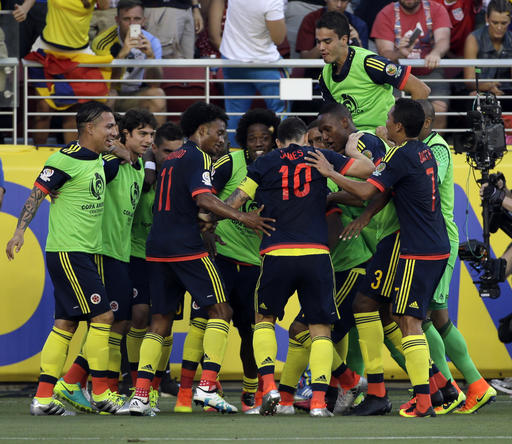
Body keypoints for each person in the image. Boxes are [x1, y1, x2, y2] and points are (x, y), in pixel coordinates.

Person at [128, 101, 275, 415]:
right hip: (186, 248)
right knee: (221, 309)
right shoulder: (197, 157)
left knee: (160, 321)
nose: (223, 139)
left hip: (156, 249)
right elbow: (204, 199)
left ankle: (141, 396)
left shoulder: (171, 160)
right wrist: (241, 217)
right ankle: (207, 387)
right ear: (202, 130)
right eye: (219, 133)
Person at [306, 98, 450, 418]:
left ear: (398, 126)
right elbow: (387, 191)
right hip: (430, 245)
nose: (383, 122)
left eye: (388, 118)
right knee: (376, 307)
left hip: (417, 248)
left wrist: (330, 172)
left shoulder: (398, 156)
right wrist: (368, 215)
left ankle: (424, 400)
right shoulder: (423, 150)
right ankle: (420, 390)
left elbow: (364, 192)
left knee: (408, 321)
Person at [223, 117, 375, 417]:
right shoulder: (321, 157)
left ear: (277, 142)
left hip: (277, 254)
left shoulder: (264, 163)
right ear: (306, 138)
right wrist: (348, 153)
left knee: (263, 319)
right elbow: (368, 172)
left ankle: (269, 389)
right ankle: (319, 403)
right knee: (320, 329)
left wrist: (214, 216)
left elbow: (236, 200)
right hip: (316, 254)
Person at [5, 101, 125, 415]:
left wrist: (120, 148)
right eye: (109, 126)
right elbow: (37, 193)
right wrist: (19, 232)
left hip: (86, 252)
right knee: (103, 318)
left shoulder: (100, 158)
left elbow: (129, 157)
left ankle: (43, 399)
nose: (114, 132)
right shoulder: (63, 159)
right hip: (69, 252)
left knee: (66, 324)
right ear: (90, 128)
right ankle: (101, 393)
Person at [174, 108, 281, 415]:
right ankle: (188, 392)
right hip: (222, 258)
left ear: (274, 140)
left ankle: (251, 392)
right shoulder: (229, 163)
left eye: (265, 138)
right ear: (242, 140)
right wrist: (204, 231)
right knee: (205, 321)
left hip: (256, 263)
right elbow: (203, 198)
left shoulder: (278, 166)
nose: (258, 143)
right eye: (252, 138)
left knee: (251, 332)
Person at [54, 109, 158, 414]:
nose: (148, 140)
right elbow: (86, 177)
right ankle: (83, 386)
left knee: (119, 323)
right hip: (101, 252)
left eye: (151, 134)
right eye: (142, 134)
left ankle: (79, 383)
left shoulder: (136, 166)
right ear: (123, 135)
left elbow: (145, 166)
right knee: (106, 322)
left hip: (121, 254)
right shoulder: (111, 164)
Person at [126, 121, 184, 392]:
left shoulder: (183, 176)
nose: (171, 157)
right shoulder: (139, 172)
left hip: (170, 256)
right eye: (165, 152)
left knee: (165, 317)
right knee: (139, 315)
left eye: (176, 151)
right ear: (155, 151)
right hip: (138, 252)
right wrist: (148, 165)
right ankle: (134, 376)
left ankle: (163, 376)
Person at [317, 11, 430, 133]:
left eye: (327, 42)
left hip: (382, 138)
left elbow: (421, 90)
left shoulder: (369, 63)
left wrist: (405, 134)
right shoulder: (324, 76)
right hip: (350, 139)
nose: (321, 47)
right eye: (318, 42)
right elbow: (333, 118)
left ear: (344, 39)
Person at [26, 0, 111, 145]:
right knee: (43, 108)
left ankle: (71, 159)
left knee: (72, 111)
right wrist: (24, 7)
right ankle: (37, 154)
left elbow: (105, 6)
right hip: (47, 51)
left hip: (78, 53)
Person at [210, 0, 288, 148]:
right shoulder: (273, 1)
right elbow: (279, 38)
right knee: (282, 112)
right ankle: (284, 156)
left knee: (235, 118)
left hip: (232, 60)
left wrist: (217, 38)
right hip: (266, 63)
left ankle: (234, 162)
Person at [371, 0, 452, 129]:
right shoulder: (386, 13)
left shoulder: (436, 9)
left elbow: (443, 40)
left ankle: (431, 148)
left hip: (430, 72)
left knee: (439, 110)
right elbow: (384, 53)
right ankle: (397, 148)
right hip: (398, 73)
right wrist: (400, 53)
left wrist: (436, 53)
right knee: (394, 113)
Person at [91, 0, 167, 126]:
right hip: (113, 93)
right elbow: (105, 84)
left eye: (137, 19)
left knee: (157, 95)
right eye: (127, 19)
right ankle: (107, 142)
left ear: (143, 21)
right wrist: (122, 54)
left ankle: (155, 143)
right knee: (109, 95)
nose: (132, 24)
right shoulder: (102, 42)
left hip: (137, 94)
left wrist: (150, 56)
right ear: (117, 20)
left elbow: (155, 84)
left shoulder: (152, 42)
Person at [464, 0, 512, 97]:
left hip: (506, 92)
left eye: (503, 23)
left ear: (510, 20)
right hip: (479, 91)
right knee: (473, 97)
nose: (499, 27)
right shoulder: (473, 39)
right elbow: (469, 81)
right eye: (495, 22)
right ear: (487, 18)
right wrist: (487, 86)